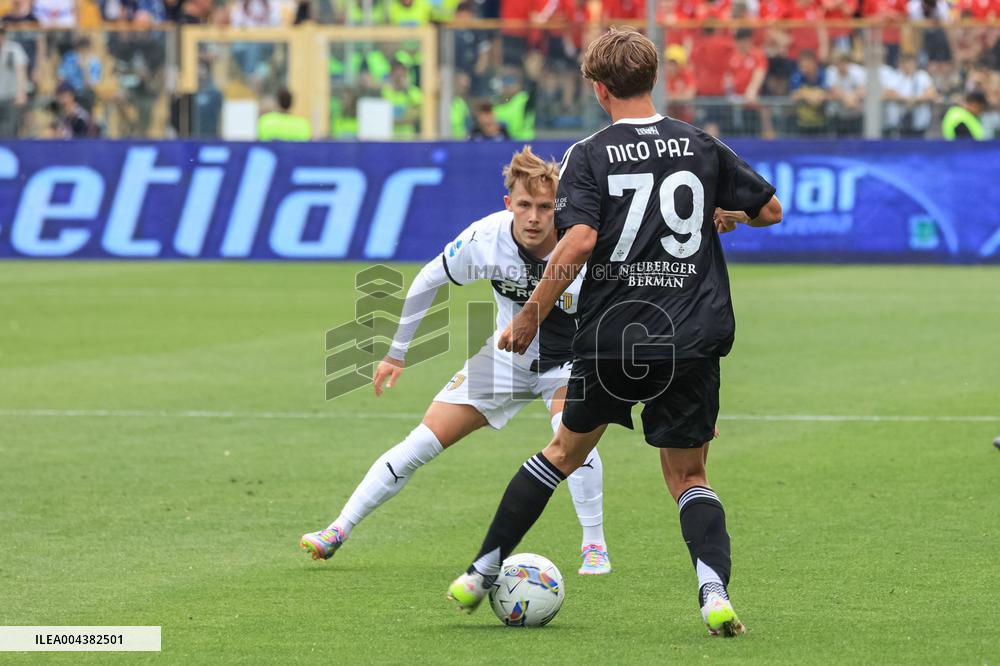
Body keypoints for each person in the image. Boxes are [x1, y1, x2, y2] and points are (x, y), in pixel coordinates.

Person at [446, 27, 782, 637]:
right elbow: (770, 211)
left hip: (616, 336)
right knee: (689, 475)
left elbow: (577, 239)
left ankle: (481, 570)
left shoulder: (590, 153)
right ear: (653, 79)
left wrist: (530, 315)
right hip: (691, 332)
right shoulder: (701, 144)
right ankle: (713, 592)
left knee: (563, 454)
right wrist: (721, 216)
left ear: (599, 89)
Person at [301, 147, 613, 577]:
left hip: (570, 363)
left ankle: (594, 546)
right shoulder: (486, 238)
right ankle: (338, 528)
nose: (534, 217)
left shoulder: (581, 242)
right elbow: (429, 277)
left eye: (544, 206)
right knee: (421, 442)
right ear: (509, 204)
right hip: (505, 359)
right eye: (524, 205)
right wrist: (396, 352)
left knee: (568, 435)